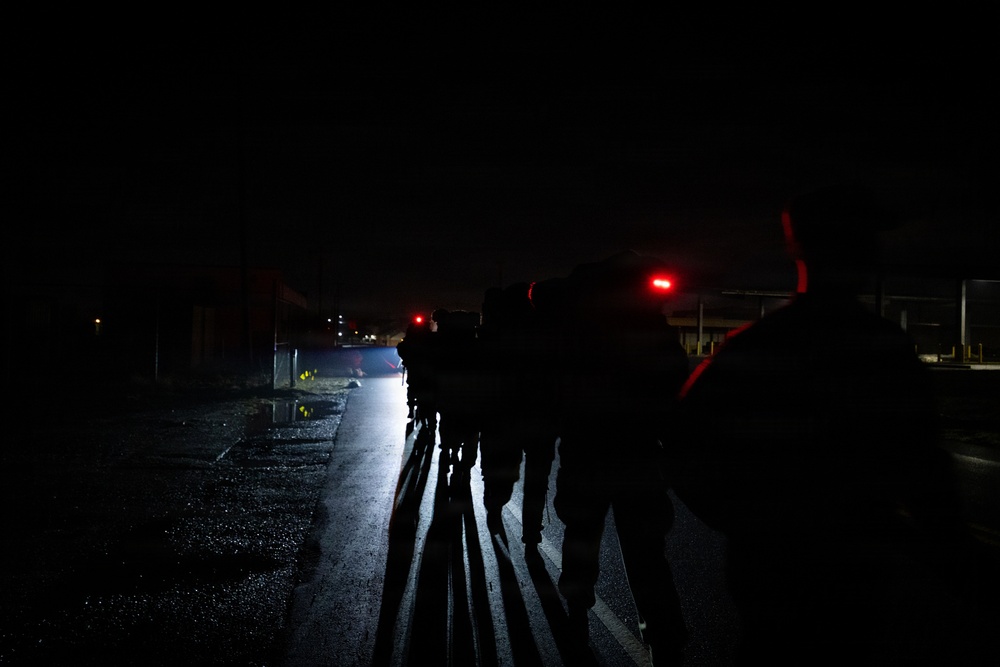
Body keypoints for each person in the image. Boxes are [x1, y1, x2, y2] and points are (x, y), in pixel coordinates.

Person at [671, 183, 995, 664]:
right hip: (853, 570)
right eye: (861, 237)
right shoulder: (880, 347)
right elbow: (923, 467)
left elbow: (685, 447)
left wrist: (750, 526)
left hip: (771, 569)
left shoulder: (755, 345)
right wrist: (953, 558)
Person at [553, 250, 690, 664]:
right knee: (647, 556)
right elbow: (675, 403)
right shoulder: (656, 336)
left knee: (580, 541)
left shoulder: (574, 338)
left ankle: (576, 616)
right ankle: (663, 639)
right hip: (639, 460)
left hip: (586, 457)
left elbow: (555, 395)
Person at [477, 281, 560, 548]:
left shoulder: (492, 334)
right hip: (539, 417)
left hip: (503, 417)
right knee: (537, 479)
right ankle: (532, 530)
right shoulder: (547, 330)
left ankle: (495, 506)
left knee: (501, 471)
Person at [396, 315, 437, 430]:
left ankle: (411, 409)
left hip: (416, 369)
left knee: (412, 389)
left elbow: (401, 348)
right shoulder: (429, 337)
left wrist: (407, 360)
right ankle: (423, 415)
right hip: (426, 371)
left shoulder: (411, 337)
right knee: (424, 391)